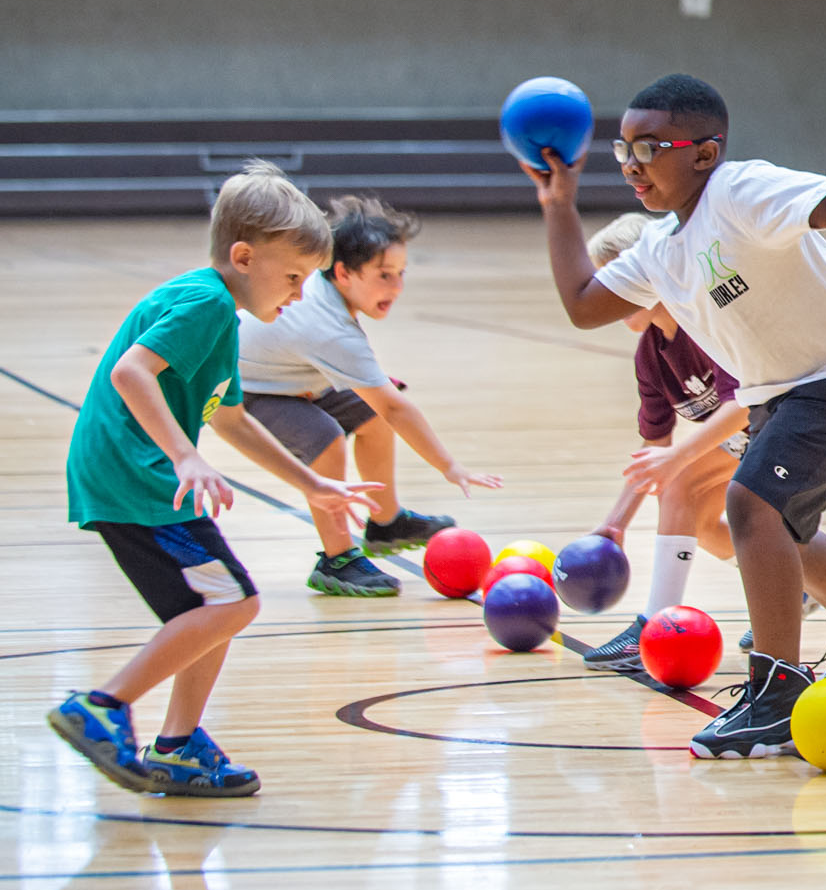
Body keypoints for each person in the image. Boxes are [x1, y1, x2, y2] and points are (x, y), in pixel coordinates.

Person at [526, 73, 826, 759]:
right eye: (622, 151)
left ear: (704, 154)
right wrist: (559, 203)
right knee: (785, 529)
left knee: (750, 508)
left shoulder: (740, 191)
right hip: (788, 391)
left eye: (648, 147)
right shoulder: (660, 248)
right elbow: (583, 303)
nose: (631, 164)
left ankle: (775, 691)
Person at [48, 160, 379, 796]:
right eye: (291, 276)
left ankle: (178, 745)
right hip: (139, 477)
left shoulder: (220, 313)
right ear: (243, 255)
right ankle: (102, 707)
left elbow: (231, 419)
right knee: (232, 601)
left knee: (216, 606)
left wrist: (311, 484)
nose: (296, 292)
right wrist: (183, 456)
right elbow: (130, 373)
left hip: (133, 475)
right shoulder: (203, 302)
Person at [237, 194, 502, 597]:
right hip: (247, 390)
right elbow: (395, 408)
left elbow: (377, 401)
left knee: (370, 415)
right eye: (384, 274)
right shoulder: (328, 327)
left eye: (400, 273)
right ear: (343, 273)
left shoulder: (327, 294)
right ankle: (337, 558)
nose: (396, 286)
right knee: (326, 441)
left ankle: (387, 522)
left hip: (289, 375)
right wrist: (451, 467)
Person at [577, 212, 747, 670]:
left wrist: (679, 458)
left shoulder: (705, 322)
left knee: (680, 484)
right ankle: (798, 589)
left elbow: (746, 404)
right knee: (703, 522)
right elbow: (652, 452)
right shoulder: (650, 355)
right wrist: (615, 525)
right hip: (749, 439)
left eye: (614, 282)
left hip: (790, 421)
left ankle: (652, 627)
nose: (605, 297)